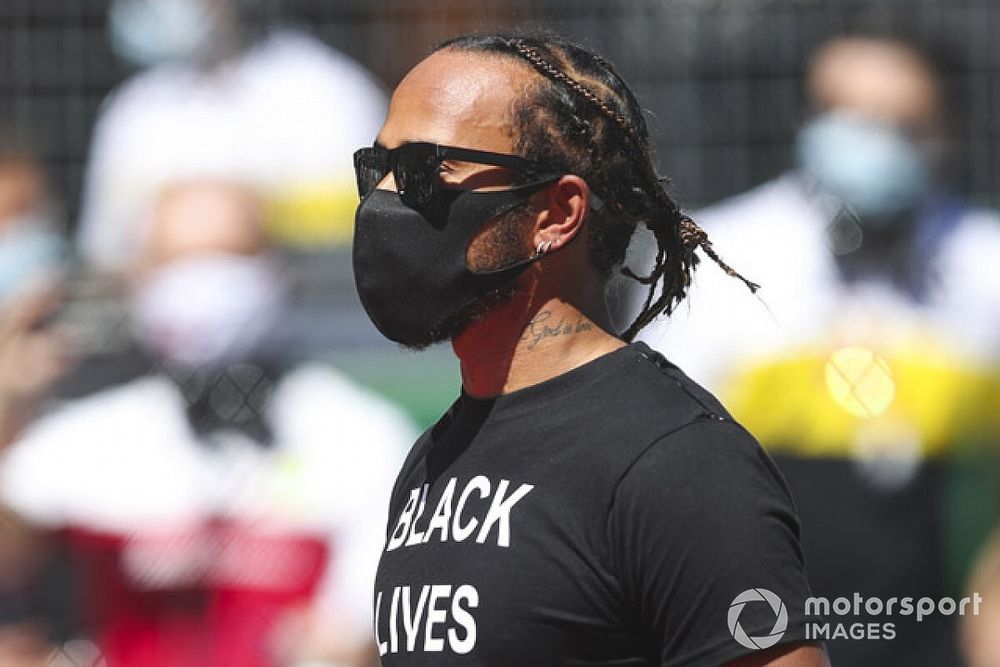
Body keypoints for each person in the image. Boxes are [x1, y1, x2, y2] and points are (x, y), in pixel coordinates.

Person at [353, 31, 827, 666]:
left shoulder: (677, 460)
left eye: (424, 171)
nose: (384, 196)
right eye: (374, 167)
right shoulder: (434, 457)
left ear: (556, 214)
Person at [639, 35, 1000, 666]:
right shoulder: (722, 258)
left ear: (950, 132)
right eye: (848, 115)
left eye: (902, 123)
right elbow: (654, 469)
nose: (872, 142)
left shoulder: (985, 266)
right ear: (808, 118)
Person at [0, 180, 415, 667]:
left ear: (279, 272)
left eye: (228, 259)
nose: (202, 286)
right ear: (137, 279)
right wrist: (7, 410)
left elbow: (355, 635)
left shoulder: (363, 436)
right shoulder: (83, 440)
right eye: (176, 263)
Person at [78, 0, 387, 271]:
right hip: (150, 326)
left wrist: (253, 220)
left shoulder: (330, 91)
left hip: (312, 319)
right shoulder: (133, 108)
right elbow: (102, 251)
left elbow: (373, 230)